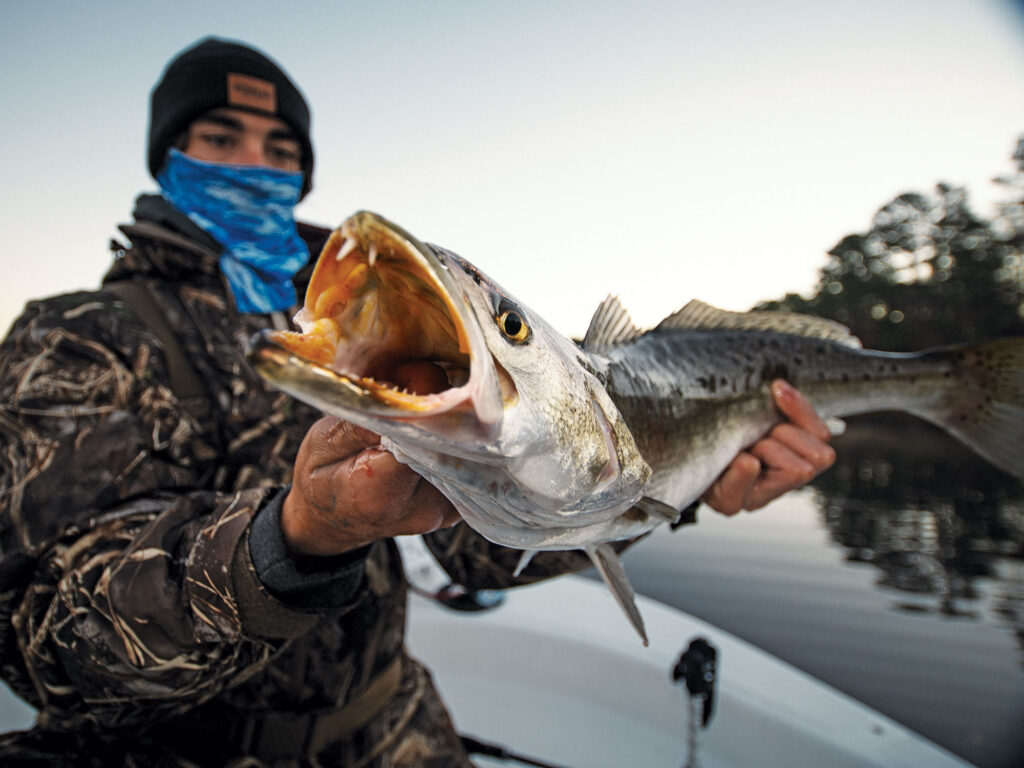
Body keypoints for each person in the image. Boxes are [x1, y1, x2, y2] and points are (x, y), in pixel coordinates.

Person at [0, 37, 835, 767]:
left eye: (279, 146)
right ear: (169, 157)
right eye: (221, 138)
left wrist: (669, 495)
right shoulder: (76, 334)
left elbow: (479, 548)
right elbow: (45, 642)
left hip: (388, 732)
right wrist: (296, 538)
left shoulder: (369, 325)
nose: (255, 163)